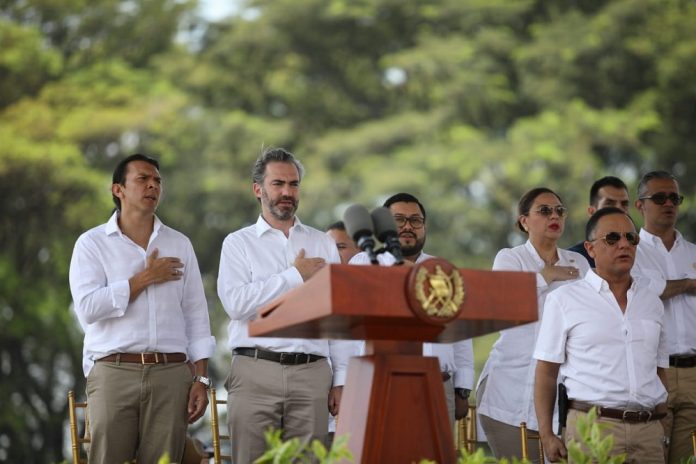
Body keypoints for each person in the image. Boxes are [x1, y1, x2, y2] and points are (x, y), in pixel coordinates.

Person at [69, 154, 214, 464]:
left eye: (157, 180)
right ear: (118, 189)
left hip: (171, 374)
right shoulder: (91, 244)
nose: (153, 186)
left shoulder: (180, 244)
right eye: (143, 179)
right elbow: (88, 308)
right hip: (113, 371)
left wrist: (201, 380)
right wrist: (144, 279)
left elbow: (196, 316)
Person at [217, 148, 355, 463]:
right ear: (258, 189)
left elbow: (338, 316)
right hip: (255, 368)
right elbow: (237, 304)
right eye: (278, 184)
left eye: (293, 184)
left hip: (312, 373)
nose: (287, 192)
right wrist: (295, 276)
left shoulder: (322, 243)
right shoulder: (238, 243)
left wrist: (341, 379)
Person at [535, 207, 669, 463]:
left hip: (648, 431)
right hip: (592, 429)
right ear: (590, 248)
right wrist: (546, 434)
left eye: (631, 238)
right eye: (612, 238)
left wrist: (662, 427)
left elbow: (659, 369)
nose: (624, 244)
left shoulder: (652, 302)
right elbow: (546, 372)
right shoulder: (564, 299)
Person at [476, 187, 589, 461]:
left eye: (559, 211)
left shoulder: (579, 263)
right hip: (507, 391)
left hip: (560, 397)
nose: (555, 216)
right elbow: (503, 304)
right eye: (545, 211)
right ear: (524, 221)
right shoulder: (510, 257)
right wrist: (545, 275)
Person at [349, 193, 475, 425]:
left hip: (439, 385)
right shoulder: (364, 263)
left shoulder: (442, 270)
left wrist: (462, 389)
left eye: (415, 221)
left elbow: (460, 332)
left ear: (424, 227)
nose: (408, 227)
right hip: (379, 382)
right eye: (398, 220)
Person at [632, 171, 696, 463]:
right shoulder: (630, 251)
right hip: (653, 372)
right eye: (659, 198)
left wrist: (668, 287)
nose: (669, 203)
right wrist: (688, 284)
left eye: (674, 198)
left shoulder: (693, 252)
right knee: (652, 455)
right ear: (640, 205)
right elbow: (639, 293)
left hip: (693, 372)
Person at [568, 176, 630, 267]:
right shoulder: (571, 260)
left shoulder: (640, 254)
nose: (619, 210)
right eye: (609, 204)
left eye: (624, 204)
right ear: (592, 212)